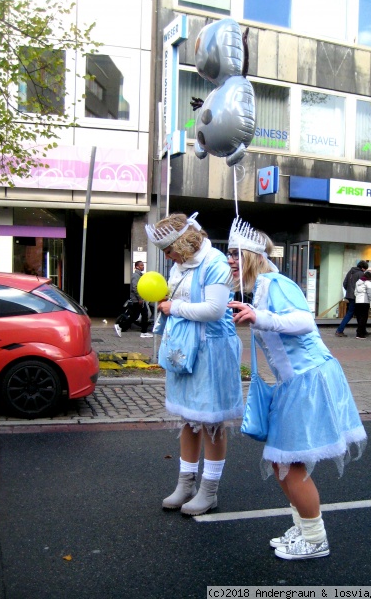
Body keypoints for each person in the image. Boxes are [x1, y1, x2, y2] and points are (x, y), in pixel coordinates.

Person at [227, 216, 367, 561]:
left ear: (252, 255)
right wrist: (253, 312)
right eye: (227, 253)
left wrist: (259, 318)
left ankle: (315, 538)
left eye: (234, 253)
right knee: (282, 462)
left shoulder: (275, 282)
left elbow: (304, 321)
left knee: (287, 462)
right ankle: (305, 527)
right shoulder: (260, 289)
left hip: (310, 380)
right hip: (295, 383)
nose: (229, 260)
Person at [145, 212, 243, 516]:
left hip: (212, 351)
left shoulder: (214, 262)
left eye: (169, 249)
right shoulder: (180, 265)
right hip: (184, 349)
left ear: (185, 242)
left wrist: (173, 307)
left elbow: (214, 310)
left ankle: (208, 490)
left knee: (212, 422)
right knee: (188, 419)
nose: (167, 256)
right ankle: (185, 484)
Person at [114, 260, 153, 338]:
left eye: (143, 265)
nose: (143, 266)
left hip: (139, 299)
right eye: (141, 265)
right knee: (142, 314)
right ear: (137, 267)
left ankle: (122, 327)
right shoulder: (136, 275)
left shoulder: (140, 275)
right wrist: (140, 299)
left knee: (135, 316)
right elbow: (135, 288)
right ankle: (142, 331)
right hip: (137, 300)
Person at [335, 260, 369, 337]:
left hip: (350, 296)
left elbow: (344, 284)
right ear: (362, 268)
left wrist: (349, 291)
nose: (365, 271)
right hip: (357, 297)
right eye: (365, 269)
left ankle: (362, 330)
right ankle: (339, 330)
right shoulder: (361, 274)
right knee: (354, 314)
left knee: (357, 313)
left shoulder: (350, 272)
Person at [354, 271, 371, 339]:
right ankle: (360, 334)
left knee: (359, 318)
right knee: (364, 319)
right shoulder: (368, 283)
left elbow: (355, 292)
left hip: (357, 301)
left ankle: (360, 332)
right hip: (365, 302)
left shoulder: (357, 282)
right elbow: (370, 294)